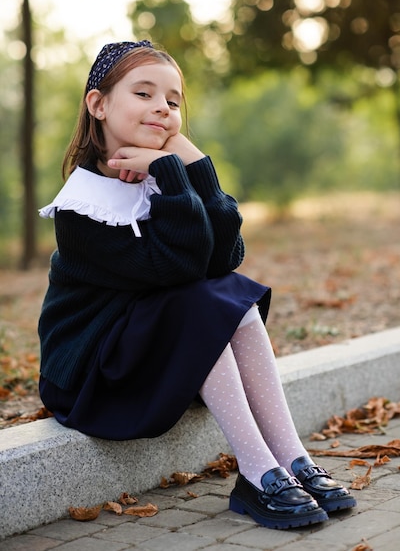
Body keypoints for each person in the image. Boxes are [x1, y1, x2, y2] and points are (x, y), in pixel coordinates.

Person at [38, 39, 356, 530]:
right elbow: (178, 272)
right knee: (196, 299)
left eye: (173, 100)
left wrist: (193, 164)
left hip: (151, 347)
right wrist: (172, 168)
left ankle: (290, 458)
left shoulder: (153, 178)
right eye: (143, 93)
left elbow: (225, 258)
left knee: (233, 295)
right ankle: (256, 472)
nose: (162, 108)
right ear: (98, 104)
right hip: (91, 374)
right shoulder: (82, 207)